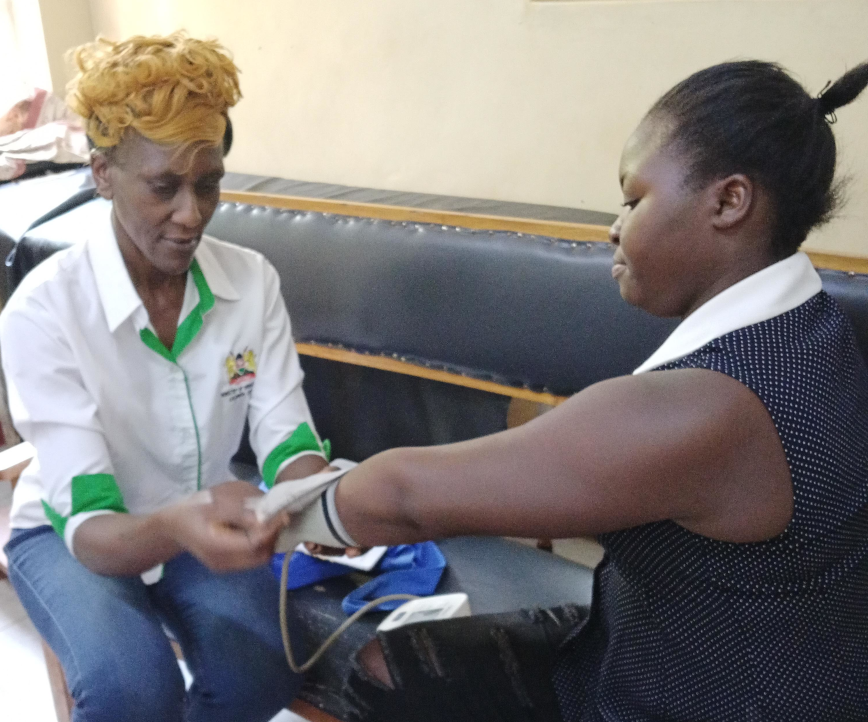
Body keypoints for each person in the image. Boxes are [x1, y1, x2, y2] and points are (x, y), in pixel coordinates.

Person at [259, 60, 868, 721]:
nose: (615, 226)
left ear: (728, 202)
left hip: (700, 696)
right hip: (664, 641)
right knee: (387, 662)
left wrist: (280, 517)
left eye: (634, 200)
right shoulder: (812, 331)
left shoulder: (712, 408)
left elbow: (408, 497)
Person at [0, 33, 331, 722]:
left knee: (261, 671)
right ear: (101, 175)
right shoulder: (44, 309)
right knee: (131, 692)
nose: (191, 215)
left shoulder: (251, 282)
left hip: (197, 514)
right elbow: (91, 527)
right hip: (72, 536)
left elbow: (284, 431)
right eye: (164, 187)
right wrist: (179, 524)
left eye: (207, 184)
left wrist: (319, 495)